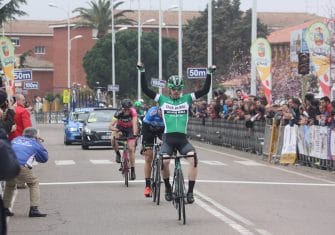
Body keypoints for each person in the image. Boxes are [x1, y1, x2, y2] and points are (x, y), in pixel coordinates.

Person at [137, 62, 216, 204]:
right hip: (168, 139)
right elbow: (145, 89)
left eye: (179, 89)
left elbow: (205, 90)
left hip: (182, 140)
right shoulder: (162, 100)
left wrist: (209, 73)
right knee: (165, 161)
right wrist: (142, 71)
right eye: (174, 89)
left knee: (194, 159)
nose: (177, 92)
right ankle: (167, 188)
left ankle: (190, 193)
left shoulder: (187, 99)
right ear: (170, 89)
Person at [3, 127, 48, 218]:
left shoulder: (16, 139)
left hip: (8, 165)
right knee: (33, 183)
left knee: (10, 185)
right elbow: (44, 158)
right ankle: (34, 209)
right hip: (21, 166)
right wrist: (39, 142)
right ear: (35, 135)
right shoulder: (34, 143)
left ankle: (5, 209)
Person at [109, 98, 138, 180]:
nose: (127, 111)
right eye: (125, 109)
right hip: (120, 129)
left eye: (128, 109)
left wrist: (135, 134)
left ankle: (132, 170)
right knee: (112, 139)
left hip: (130, 130)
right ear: (122, 108)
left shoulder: (133, 112)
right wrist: (116, 130)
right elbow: (110, 126)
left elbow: (135, 124)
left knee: (131, 149)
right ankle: (118, 154)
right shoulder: (118, 113)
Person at [140, 105, 165, 197]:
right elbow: (144, 129)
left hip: (162, 130)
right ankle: (147, 186)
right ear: (158, 110)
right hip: (148, 129)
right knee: (148, 157)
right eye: (162, 112)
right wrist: (144, 145)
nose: (163, 114)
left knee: (166, 149)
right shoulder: (152, 112)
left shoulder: (169, 114)